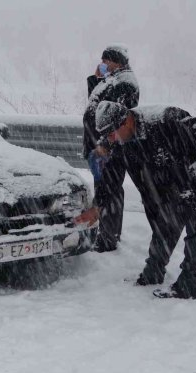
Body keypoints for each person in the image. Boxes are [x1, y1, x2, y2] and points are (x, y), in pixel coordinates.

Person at [75, 101, 196, 299]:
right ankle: (153, 273)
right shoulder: (120, 143)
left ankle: (188, 285)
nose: (110, 139)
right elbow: (110, 178)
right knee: (165, 227)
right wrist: (98, 207)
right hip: (172, 188)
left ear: (126, 122)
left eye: (112, 133)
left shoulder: (165, 118)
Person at [82, 45, 140, 253]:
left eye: (107, 61)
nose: (103, 64)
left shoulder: (125, 83)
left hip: (110, 148)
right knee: (104, 190)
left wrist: (106, 145)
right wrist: (96, 80)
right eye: (102, 61)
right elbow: (96, 107)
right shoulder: (112, 80)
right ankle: (106, 234)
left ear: (118, 62)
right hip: (101, 146)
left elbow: (118, 118)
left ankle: (108, 238)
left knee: (110, 191)